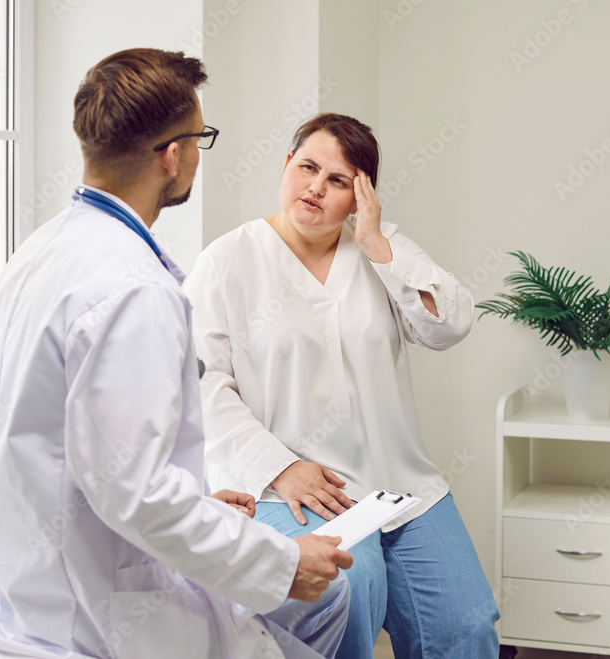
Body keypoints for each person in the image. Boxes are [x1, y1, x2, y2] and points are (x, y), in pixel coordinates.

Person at [0, 50, 353, 659]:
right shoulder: (134, 290)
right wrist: (278, 560)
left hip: (35, 577)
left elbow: (75, 446)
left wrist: (196, 500)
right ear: (173, 155)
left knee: (326, 600)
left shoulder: (41, 250)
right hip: (103, 608)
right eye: (200, 139)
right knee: (326, 597)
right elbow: (132, 492)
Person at [184, 113, 501, 659]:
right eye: (307, 168)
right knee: (351, 595)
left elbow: (450, 325)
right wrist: (279, 466)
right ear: (286, 165)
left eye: (338, 181)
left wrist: (376, 241)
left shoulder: (380, 250)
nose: (315, 187)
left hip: (399, 481)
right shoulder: (226, 261)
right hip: (296, 483)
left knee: (467, 624)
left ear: (361, 196)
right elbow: (204, 387)